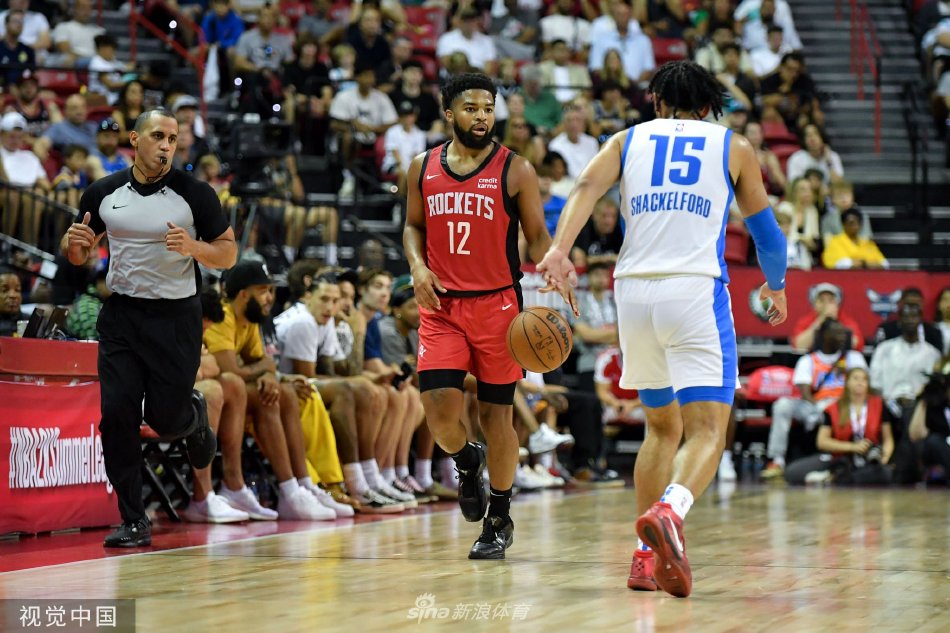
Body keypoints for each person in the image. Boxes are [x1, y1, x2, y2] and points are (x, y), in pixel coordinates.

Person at [537, 61, 789, 597]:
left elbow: (585, 186)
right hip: (693, 290)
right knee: (707, 431)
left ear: (656, 104)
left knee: (660, 428)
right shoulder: (733, 145)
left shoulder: (626, 140)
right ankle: (671, 514)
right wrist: (777, 285)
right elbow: (766, 233)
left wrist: (559, 250)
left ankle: (645, 557)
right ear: (707, 108)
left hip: (633, 293)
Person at [61, 109, 238, 547]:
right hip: (121, 316)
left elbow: (228, 254)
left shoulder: (195, 194)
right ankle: (134, 519)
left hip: (175, 318)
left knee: (164, 417)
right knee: (116, 416)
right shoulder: (103, 192)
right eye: (158, 136)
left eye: (173, 139)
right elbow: (77, 251)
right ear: (135, 139)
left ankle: (193, 419)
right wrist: (74, 246)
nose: (166, 145)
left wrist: (194, 246)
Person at [403, 72, 553, 560]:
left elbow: (538, 235)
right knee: (441, 416)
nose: (482, 117)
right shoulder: (421, 167)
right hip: (441, 306)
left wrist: (557, 268)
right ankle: (468, 462)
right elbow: (411, 226)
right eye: (470, 108)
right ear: (449, 112)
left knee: (497, 416)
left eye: (488, 108)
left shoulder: (516, 169)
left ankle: (499, 515)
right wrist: (417, 265)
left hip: (499, 307)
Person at [761, 318, 868, 479]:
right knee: (782, 405)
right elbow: (805, 394)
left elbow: (864, 386)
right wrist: (821, 410)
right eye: (836, 333)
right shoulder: (808, 360)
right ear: (824, 335)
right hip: (817, 406)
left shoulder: (853, 358)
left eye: (842, 333)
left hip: (846, 405)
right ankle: (777, 460)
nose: (841, 337)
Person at [784, 367, 894, 485]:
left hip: (869, 458)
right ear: (847, 382)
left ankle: (834, 478)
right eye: (856, 378)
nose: (860, 382)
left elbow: (888, 439)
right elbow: (822, 442)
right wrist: (852, 447)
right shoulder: (833, 408)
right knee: (792, 473)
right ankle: (837, 476)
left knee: (885, 474)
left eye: (864, 379)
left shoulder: (879, 405)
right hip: (839, 457)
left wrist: (884, 457)